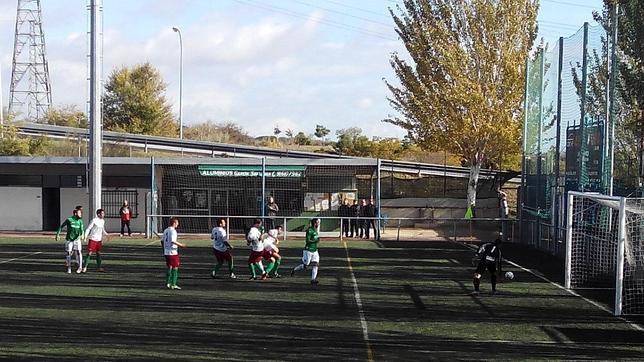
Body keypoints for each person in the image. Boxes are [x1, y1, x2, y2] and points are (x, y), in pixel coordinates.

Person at [291, 218, 321, 285]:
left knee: (316, 264)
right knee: (306, 265)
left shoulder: (315, 230)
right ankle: (295, 269)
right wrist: (316, 241)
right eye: (317, 222)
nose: (318, 224)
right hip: (308, 250)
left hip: (315, 250)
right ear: (315, 223)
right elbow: (308, 241)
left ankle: (313, 280)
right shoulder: (309, 230)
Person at [56, 207, 85, 274]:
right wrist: (57, 235)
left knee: (79, 252)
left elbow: (81, 230)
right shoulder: (69, 220)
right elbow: (61, 226)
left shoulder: (80, 221)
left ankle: (80, 267)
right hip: (69, 239)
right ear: (75, 213)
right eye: (79, 213)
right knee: (69, 253)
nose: (81, 215)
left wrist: (82, 235)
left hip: (77, 240)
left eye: (81, 213)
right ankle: (69, 268)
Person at [82, 208, 109, 273]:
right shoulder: (94, 220)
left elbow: (102, 229)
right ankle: (84, 267)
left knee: (98, 253)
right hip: (93, 239)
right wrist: (85, 237)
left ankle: (99, 268)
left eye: (103, 213)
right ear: (98, 214)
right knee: (89, 253)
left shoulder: (102, 221)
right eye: (102, 213)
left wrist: (107, 235)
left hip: (99, 240)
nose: (103, 214)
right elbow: (88, 229)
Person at [162, 217, 186, 290]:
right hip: (173, 252)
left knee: (169, 267)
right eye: (177, 223)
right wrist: (181, 245)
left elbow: (162, 241)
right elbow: (173, 241)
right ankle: (173, 284)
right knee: (175, 267)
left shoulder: (166, 230)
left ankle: (168, 282)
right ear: (174, 223)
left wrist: (164, 248)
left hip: (166, 252)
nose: (178, 224)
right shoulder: (173, 231)